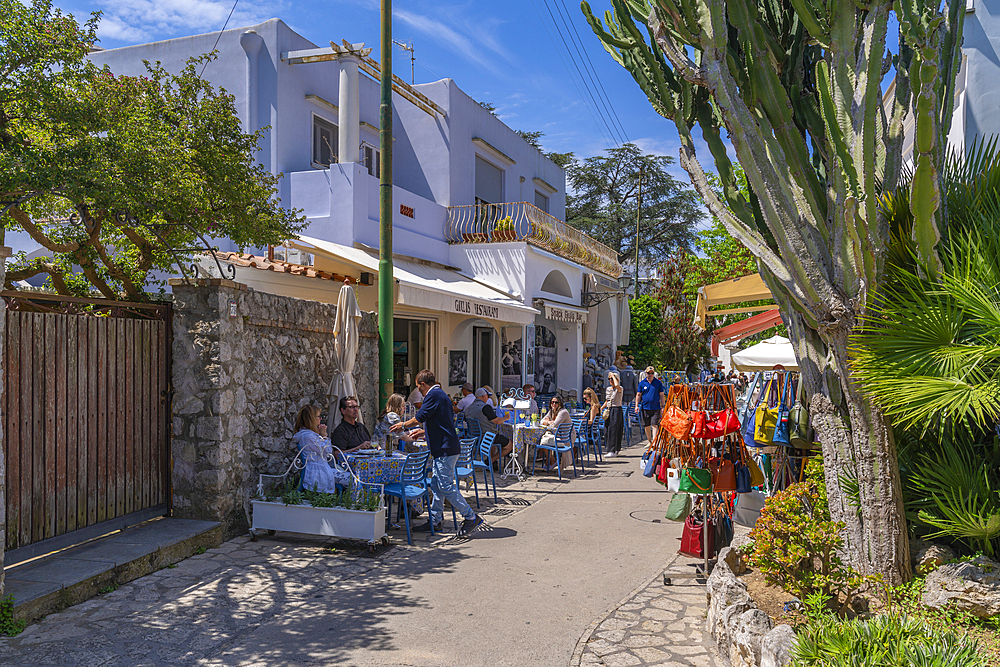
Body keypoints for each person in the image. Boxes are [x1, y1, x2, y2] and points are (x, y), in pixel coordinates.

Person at [392, 369, 483, 536]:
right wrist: (425, 433)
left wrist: (403, 425)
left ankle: (470, 517)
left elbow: (421, 416)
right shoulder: (441, 395)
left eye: (418, 387)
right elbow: (441, 422)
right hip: (445, 446)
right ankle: (435, 521)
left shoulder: (433, 395)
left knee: (445, 486)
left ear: (424, 384)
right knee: (436, 485)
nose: (418, 390)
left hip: (445, 448)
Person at [292, 405, 352, 492]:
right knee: (354, 479)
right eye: (319, 416)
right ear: (311, 418)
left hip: (320, 468)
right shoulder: (308, 437)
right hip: (318, 472)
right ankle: (353, 503)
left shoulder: (307, 435)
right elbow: (327, 452)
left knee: (352, 476)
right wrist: (324, 436)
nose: (320, 419)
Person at [464, 388, 514, 463]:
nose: (488, 398)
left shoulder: (468, 408)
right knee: (510, 445)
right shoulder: (485, 407)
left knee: (493, 440)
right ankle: (490, 461)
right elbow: (497, 421)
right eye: (487, 396)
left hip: (473, 437)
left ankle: (492, 463)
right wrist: (505, 418)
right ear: (484, 396)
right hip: (487, 437)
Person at [635, 366, 667, 444]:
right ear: (646, 373)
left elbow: (662, 395)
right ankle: (650, 441)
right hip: (645, 407)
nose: (650, 375)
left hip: (656, 407)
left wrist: (663, 406)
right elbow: (638, 394)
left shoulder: (658, 382)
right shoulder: (642, 383)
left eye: (652, 373)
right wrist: (636, 406)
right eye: (649, 373)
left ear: (654, 374)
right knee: (646, 425)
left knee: (654, 425)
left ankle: (654, 442)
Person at [539, 395, 572, 470]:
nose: (554, 404)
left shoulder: (563, 412)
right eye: (552, 402)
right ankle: (552, 461)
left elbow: (554, 425)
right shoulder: (551, 411)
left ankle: (551, 461)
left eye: (556, 402)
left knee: (544, 441)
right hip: (557, 435)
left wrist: (547, 422)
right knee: (543, 440)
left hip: (565, 438)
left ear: (560, 403)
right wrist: (549, 421)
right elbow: (541, 421)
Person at [603, 372, 624, 456]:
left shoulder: (619, 388)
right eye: (609, 379)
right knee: (607, 430)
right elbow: (607, 401)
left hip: (616, 409)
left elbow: (617, 385)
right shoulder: (608, 389)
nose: (610, 380)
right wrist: (601, 408)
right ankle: (611, 448)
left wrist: (613, 376)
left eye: (612, 379)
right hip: (609, 409)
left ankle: (613, 450)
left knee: (614, 430)